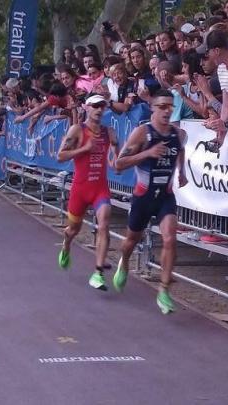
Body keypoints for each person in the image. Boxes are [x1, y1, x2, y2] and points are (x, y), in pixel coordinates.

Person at [114, 90, 189, 314]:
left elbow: (180, 150)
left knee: (169, 238)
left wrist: (181, 172)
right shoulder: (142, 133)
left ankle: (164, 290)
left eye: (170, 106)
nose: (167, 110)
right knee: (130, 241)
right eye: (162, 106)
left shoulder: (179, 134)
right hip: (143, 196)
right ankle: (124, 261)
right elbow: (119, 164)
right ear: (153, 109)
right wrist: (147, 154)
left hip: (165, 196)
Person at [56, 94, 120, 290]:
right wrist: (84, 149)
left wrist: (116, 160)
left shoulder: (108, 131)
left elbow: (117, 153)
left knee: (104, 223)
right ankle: (66, 245)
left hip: (99, 188)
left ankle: (98, 272)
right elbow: (61, 156)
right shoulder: (77, 130)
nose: (99, 110)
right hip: (80, 189)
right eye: (95, 106)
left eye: (102, 106)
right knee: (72, 230)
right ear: (86, 108)